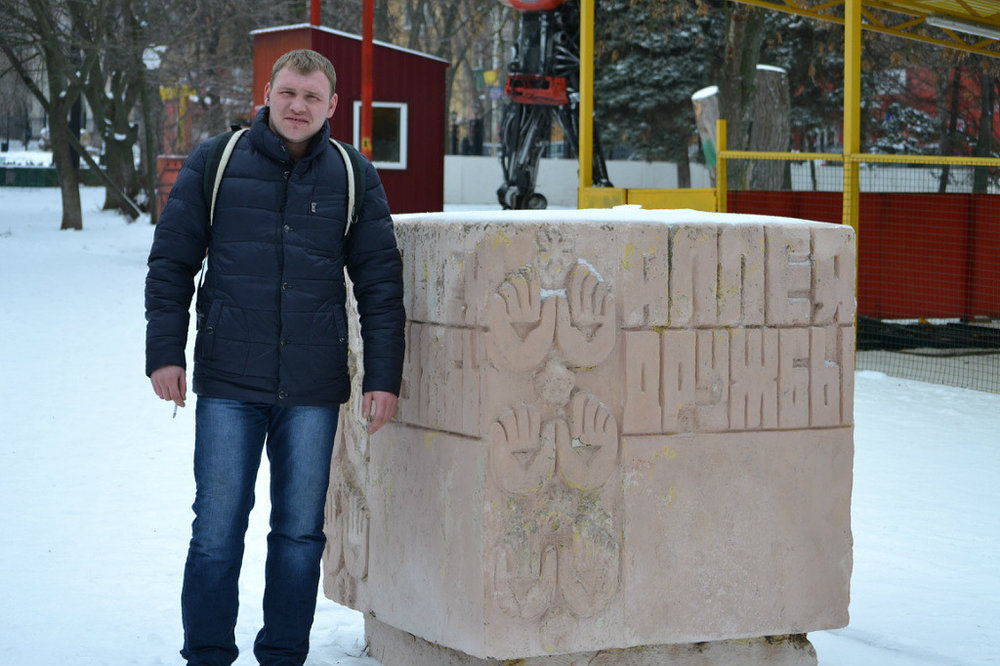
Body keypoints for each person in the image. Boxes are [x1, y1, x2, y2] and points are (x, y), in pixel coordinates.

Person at [144, 49, 405, 666]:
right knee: (215, 531)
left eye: (313, 97)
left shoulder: (352, 174)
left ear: (333, 105)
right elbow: (172, 263)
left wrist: (384, 376)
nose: (298, 106)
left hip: (313, 390)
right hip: (230, 382)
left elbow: (380, 285)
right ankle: (207, 653)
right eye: (289, 93)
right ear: (268, 92)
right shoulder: (218, 160)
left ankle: (284, 654)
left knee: (299, 535)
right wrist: (164, 353)